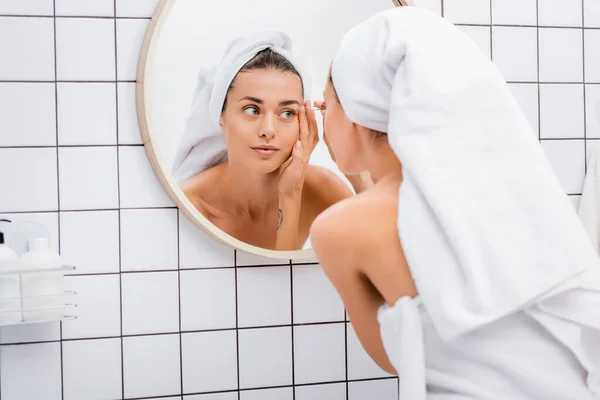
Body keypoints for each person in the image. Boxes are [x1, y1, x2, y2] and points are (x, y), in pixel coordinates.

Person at [310, 6, 600, 399]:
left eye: (328, 105)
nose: (322, 118)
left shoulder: (338, 229)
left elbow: (394, 359)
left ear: (357, 113)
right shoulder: (515, 198)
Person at [172, 31, 370, 250]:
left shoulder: (321, 189)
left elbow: (383, 249)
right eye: (251, 110)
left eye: (286, 113)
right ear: (221, 115)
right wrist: (290, 194)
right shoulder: (188, 206)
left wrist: (350, 162)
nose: (268, 130)